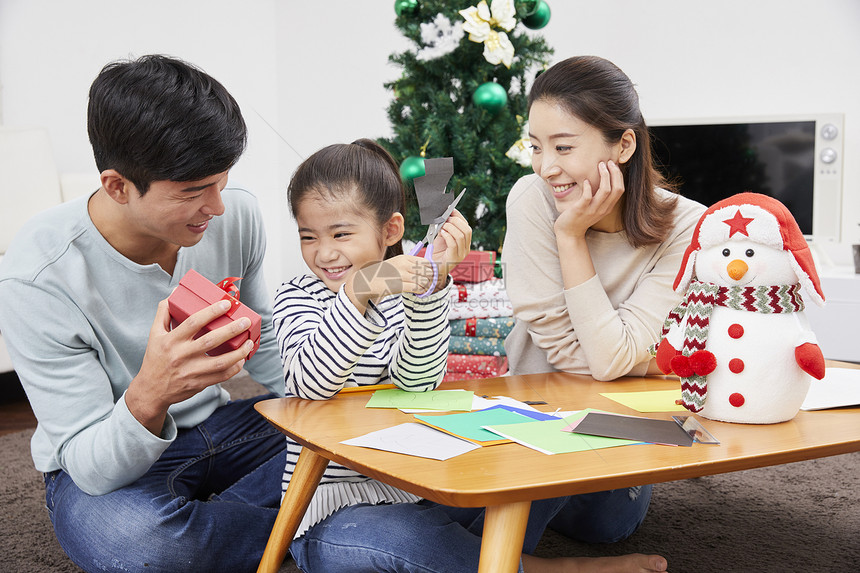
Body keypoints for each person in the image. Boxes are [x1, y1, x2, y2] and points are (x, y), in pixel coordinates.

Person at [272, 139, 666, 573]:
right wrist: (356, 294)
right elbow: (312, 384)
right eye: (308, 237)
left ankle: (494, 558)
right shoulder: (297, 296)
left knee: (531, 466)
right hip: (331, 516)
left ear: (390, 231)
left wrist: (432, 289)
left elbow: (417, 386)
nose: (324, 253)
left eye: (340, 234)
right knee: (403, 539)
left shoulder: (403, 293)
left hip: (418, 491)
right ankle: (551, 568)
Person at [0, 55, 288, 573]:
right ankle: (318, 524)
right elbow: (90, 465)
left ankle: (258, 526)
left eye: (221, 182)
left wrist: (340, 402)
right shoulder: (37, 277)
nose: (218, 208)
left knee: (362, 445)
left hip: (225, 425)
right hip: (104, 462)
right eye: (194, 192)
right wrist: (151, 391)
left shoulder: (236, 213)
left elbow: (266, 343)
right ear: (117, 187)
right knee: (142, 543)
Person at [503, 55, 706, 381]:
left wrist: (571, 237)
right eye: (536, 147)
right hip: (537, 405)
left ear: (624, 146)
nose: (545, 168)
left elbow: (611, 361)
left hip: (640, 407)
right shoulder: (532, 199)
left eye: (564, 147)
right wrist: (570, 236)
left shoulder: (687, 227)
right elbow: (588, 356)